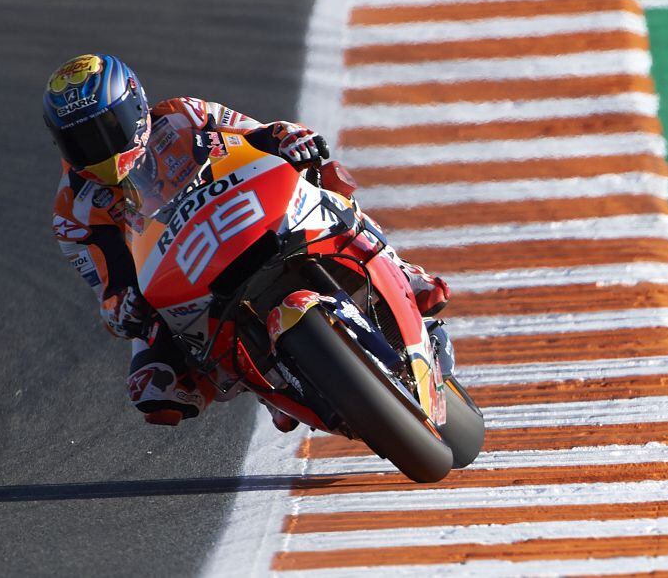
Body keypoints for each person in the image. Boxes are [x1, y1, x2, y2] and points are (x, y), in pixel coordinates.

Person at [43, 53, 450, 429]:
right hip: (184, 278)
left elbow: (260, 135)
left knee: (325, 176)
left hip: (249, 217)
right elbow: (109, 290)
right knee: (154, 389)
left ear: (133, 108)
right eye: (81, 141)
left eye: (106, 130)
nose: (98, 149)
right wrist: (123, 310)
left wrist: (291, 140)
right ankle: (270, 381)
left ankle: (397, 268)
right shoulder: (74, 211)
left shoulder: (183, 115)